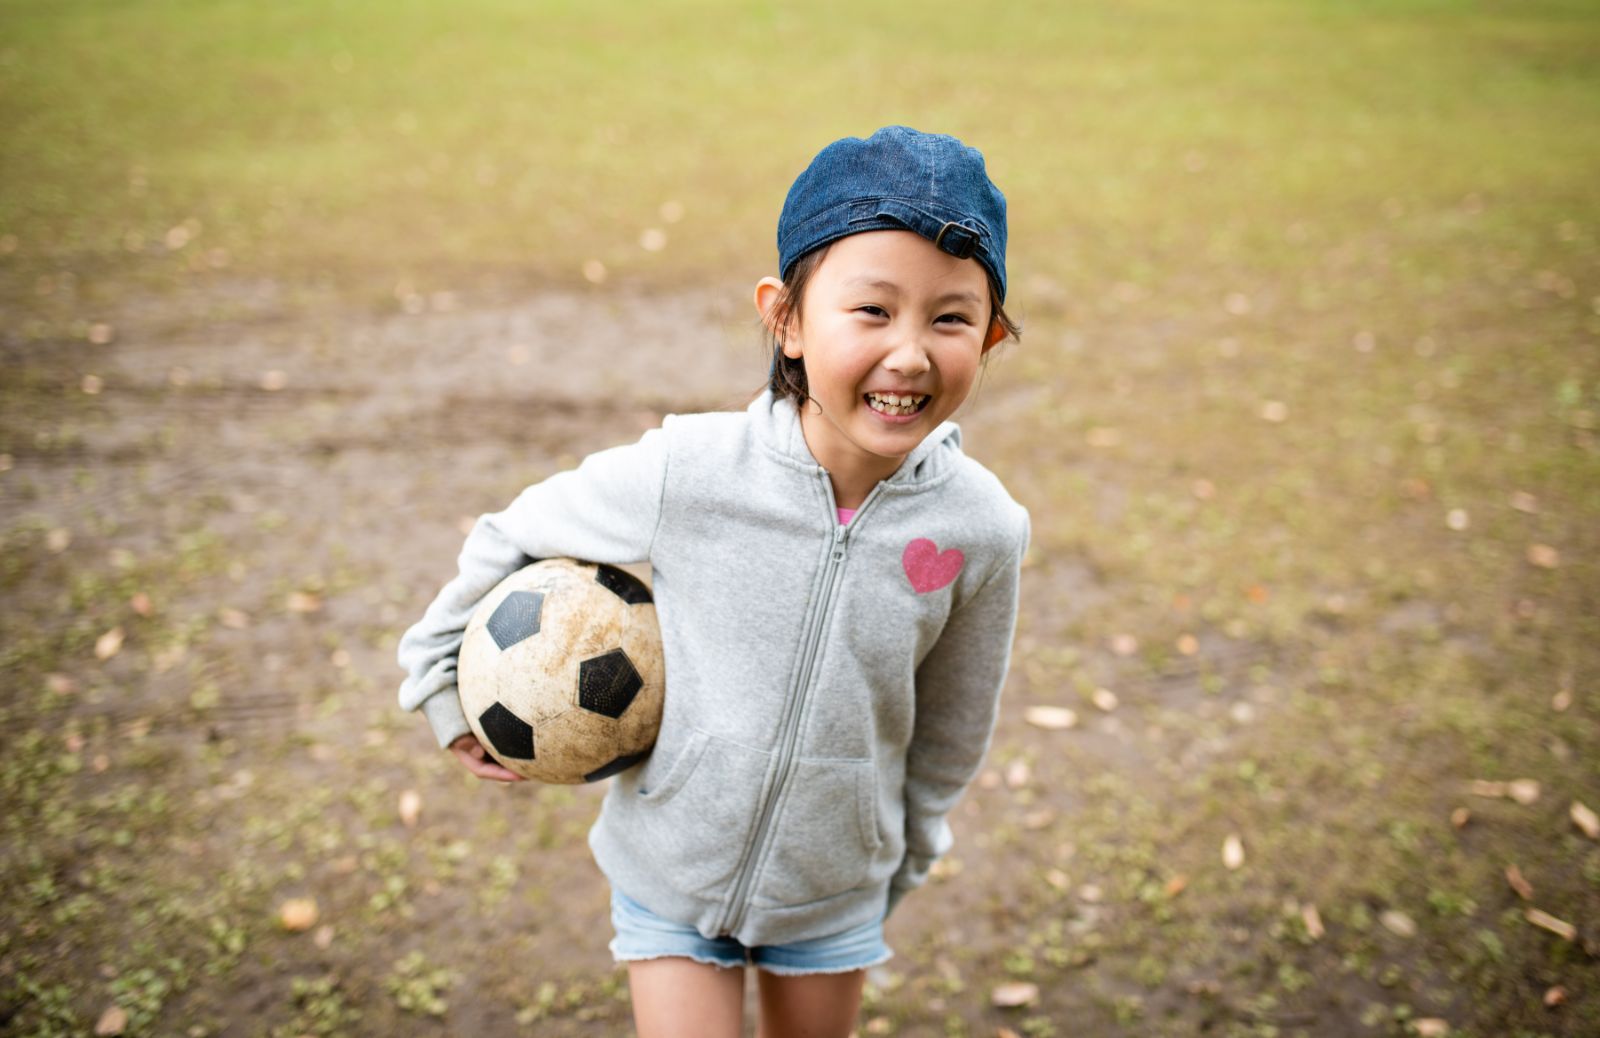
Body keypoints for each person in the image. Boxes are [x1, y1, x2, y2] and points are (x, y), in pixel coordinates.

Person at [397, 125, 1029, 1038]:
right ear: (786, 319)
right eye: (872, 312)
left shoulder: (983, 530)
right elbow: (513, 532)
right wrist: (438, 676)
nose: (910, 354)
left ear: (993, 334)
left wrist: (902, 854)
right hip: (672, 873)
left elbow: (954, 724)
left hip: (834, 891)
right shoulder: (693, 469)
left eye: (951, 317)